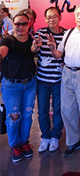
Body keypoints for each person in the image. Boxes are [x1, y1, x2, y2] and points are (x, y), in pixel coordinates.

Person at [48, 4, 80, 157]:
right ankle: (73, 142)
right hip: (67, 73)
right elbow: (59, 55)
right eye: (77, 13)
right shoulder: (68, 33)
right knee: (67, 110)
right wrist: (52, 48)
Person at [0, 13, 37, 162]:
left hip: (30, 84)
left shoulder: (33, 41)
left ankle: (24, 142)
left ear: (29, 25)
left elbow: (35, 54)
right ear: (13, 24)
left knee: (27, 115)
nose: (20, 27)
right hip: (11, 86)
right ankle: (15, 145)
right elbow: (2, 50)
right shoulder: (8, 40)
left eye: (24, 24)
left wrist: (37, 48)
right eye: (17, 24)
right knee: (14, 116)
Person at [31, 7, 66, 153]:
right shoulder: (40, 33)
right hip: (42, 80)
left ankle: (55, 137)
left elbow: (64, 56)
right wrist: (35, 47)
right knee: (43, 111)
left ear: (60, 17)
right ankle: (45, 136)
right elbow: (34, 50)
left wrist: (54, 48)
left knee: (58, 110)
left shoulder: (65, 34)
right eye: (48, 17)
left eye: (54, 16)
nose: (51, 19)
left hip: (59, 80)